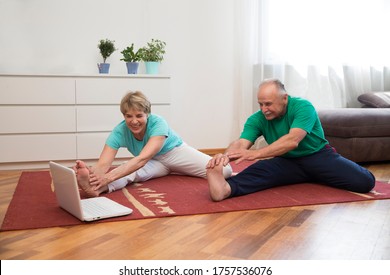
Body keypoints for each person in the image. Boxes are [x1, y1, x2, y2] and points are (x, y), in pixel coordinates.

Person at [206, 78, 375, 201]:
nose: (264, 109)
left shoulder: (303, 107)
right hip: (286, 161)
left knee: (365, 182)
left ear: (285, 98)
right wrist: (225, 156)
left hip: (318, 156)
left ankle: (317, 174)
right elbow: (241, 143)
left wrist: (255, 154)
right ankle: (225, 189)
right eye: (261, 104)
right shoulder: (257, 119)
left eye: (269, 104)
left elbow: (293, 140)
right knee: (258, 172)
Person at [74, 91, 232, 197]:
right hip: (153, 163)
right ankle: (96, 190)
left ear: (147, 114)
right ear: (123, 115)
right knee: (128, 172)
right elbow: (103, 164)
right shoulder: (119, 131)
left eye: (139, 115)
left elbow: (142, 159)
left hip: (175, 153)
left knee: (225, 171)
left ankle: (179, 170)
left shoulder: (158, 123)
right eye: (128, 116)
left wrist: (108, 177)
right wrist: (93, 176)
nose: (134, 121)